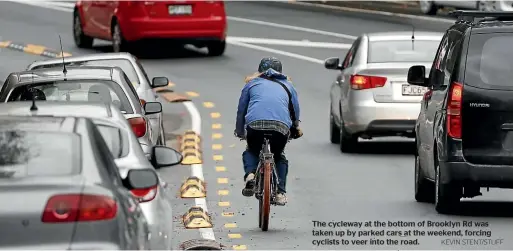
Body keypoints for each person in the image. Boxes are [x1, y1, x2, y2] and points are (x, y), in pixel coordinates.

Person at [234, 57, 302, 206]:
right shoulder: (288, 86)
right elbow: (295, 111)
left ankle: (251, 175)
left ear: (259, 72)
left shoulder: (251, 84)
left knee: (251, 150)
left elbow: (241, 110)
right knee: (278, 156)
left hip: (255, 127)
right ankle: (280, 192)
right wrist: (295, 127)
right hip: (280, 128)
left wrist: (240, 131)